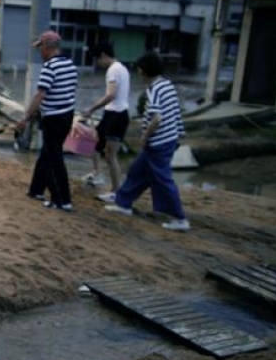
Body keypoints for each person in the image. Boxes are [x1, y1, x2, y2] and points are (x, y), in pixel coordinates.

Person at [105, 51, 190, 231]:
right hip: (168, 139)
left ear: (144, 71)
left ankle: (179, 218)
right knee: (138, 171)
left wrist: (144, 137)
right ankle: (123, 203)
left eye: (139, 70)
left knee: (162, 179)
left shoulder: (154, 89)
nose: (138, 74)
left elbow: (157, 118)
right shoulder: (168, 85)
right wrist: (179, 133)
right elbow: (176, 112)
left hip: (158, 142)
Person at [17, 30, 78, 211]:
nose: (39, 52)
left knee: (54, 158)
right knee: (48, 153)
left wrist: (25, 117)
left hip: (54, 118)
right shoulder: (71, 65)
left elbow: (40, 95)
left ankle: (62, 200)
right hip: (67, 115)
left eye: (40, 48)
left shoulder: (50, 68)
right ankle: (36, 190)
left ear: (46, 47)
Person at [84, 42, 130, 201]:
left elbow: (111, 94)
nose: (98, 64)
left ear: (103, 55)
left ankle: (117, 192)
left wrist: (92, 108)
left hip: (116, 115)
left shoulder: (114, 70)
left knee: (111, 156)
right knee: (96, 142)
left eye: (97, 60)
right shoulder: (121, 68)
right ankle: (98, 175)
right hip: (112, 113)